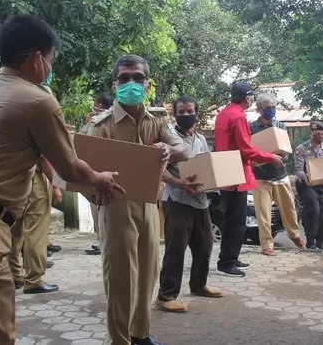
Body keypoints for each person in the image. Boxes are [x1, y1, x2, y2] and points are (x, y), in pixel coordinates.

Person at [0, 15, 124, 345]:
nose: (50, 66)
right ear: (37, 58)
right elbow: (69, 167)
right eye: (50, 59)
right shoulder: (37, 101)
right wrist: (99, 179)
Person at [84, 54, 187, 345]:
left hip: (150, 206)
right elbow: (78, 165)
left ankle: (140, 334)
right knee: (120, 278)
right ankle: (119, 340)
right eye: (125, 78)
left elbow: (181, 147)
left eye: (138, 78)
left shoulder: (156, 120)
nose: (132, 83)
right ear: (114, 84)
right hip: (116, 207)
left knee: (147, 274)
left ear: (148, 83)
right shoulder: (101, 125)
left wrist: (167, 152)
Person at [155, 96, 223, 313]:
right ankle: (165, 296)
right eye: (181, 112)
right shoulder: (169, 138)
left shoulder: (201, 138)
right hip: (177, 200)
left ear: (197, 112)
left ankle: (198, 285)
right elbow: (158, 169)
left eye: (189, 111)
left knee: (204, 247)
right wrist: (177, 182)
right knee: (176, 250)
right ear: (175, 114)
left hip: (200, 201)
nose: (185, 115)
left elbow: (207, 166)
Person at [214, 82, 284, 277]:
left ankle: (231, 257)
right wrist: (271, 156)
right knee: (235, 220)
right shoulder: (237, 116)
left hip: (228, 169)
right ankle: (226, 263)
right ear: (247, 98)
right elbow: (246, 149)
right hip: (236, 173)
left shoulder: (224, 114)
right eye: (251, 96)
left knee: (232, 218)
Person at [248, 93, 304, 255]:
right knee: (263, 213)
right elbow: (250, 151)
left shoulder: (280, 126)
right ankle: (266, 245)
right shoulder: (252, 128)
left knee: (289, 209)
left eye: (273, 107)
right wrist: (266, 158)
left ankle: (294, 235)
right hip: (260, 177)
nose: (271, 111)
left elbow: (286, 150)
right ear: (259, 110)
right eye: (268, 108)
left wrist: (281, 156)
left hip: (280, 175)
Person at [8, 155, 63, 293]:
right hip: (35, 178)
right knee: (36, 232)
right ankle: (34, 280)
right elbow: (44, 157)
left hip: (14, 178)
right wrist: (56, 186)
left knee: (15, 229)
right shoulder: (40, 131)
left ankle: (15, 275)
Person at [294, 121, 323, 250]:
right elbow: (298, 170)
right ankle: (311, 241)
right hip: (306, 185)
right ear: (311, 134)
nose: (321, 136)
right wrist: (305, 177)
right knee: (314, 209)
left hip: (322, 184)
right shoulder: (301, 149)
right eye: (318, 133)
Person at [83, 93, 115, 255]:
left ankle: (105, 243)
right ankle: (101, 241)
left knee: (103, 213)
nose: (93, 107)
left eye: (96, 104)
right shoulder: (95, 122)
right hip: (94, 176)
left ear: (101, 106)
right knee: (98, 213)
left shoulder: (105, 123)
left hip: (101, 176)